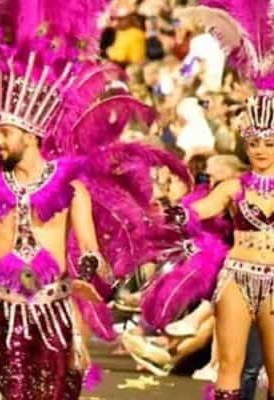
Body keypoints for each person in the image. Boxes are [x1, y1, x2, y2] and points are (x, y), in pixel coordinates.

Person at [0, 0, 177, 396]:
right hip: (8, 314)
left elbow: (89, 250)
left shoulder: (71, 186)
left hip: (55, 312)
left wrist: (89, 279)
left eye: (5, 133)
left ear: (30, 134)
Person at [171, 3, 274, 398]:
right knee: (229, 371)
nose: (261, 151)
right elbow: (200, 210)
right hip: (237, 275)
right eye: (255, 143)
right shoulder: (234, 186)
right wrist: (169, 214)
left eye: (269, 143)